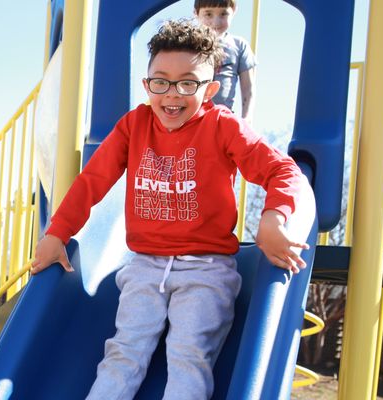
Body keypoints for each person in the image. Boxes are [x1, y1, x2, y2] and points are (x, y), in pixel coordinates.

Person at [31, 19, 309, 400]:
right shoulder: (134, 126)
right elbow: (91, 181)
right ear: (147, 85)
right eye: (160, 81)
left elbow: (281, 169)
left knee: (188, 355)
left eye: (187, 83)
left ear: (209, 90)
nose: (171, 94)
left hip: (207, 269)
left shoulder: (223, 126)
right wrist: (57, 233)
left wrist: (274, 218)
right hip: (145, 265)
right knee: (123, 353)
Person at [194, 0, 257, 125]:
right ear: (196, 13)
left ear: (233, 12)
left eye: (223, 14)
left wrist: (247, 119)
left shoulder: (239, 45)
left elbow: (248, 88)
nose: (216, 22)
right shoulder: (188, 44)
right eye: (208, 14)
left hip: (223, 119)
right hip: (193, 118)